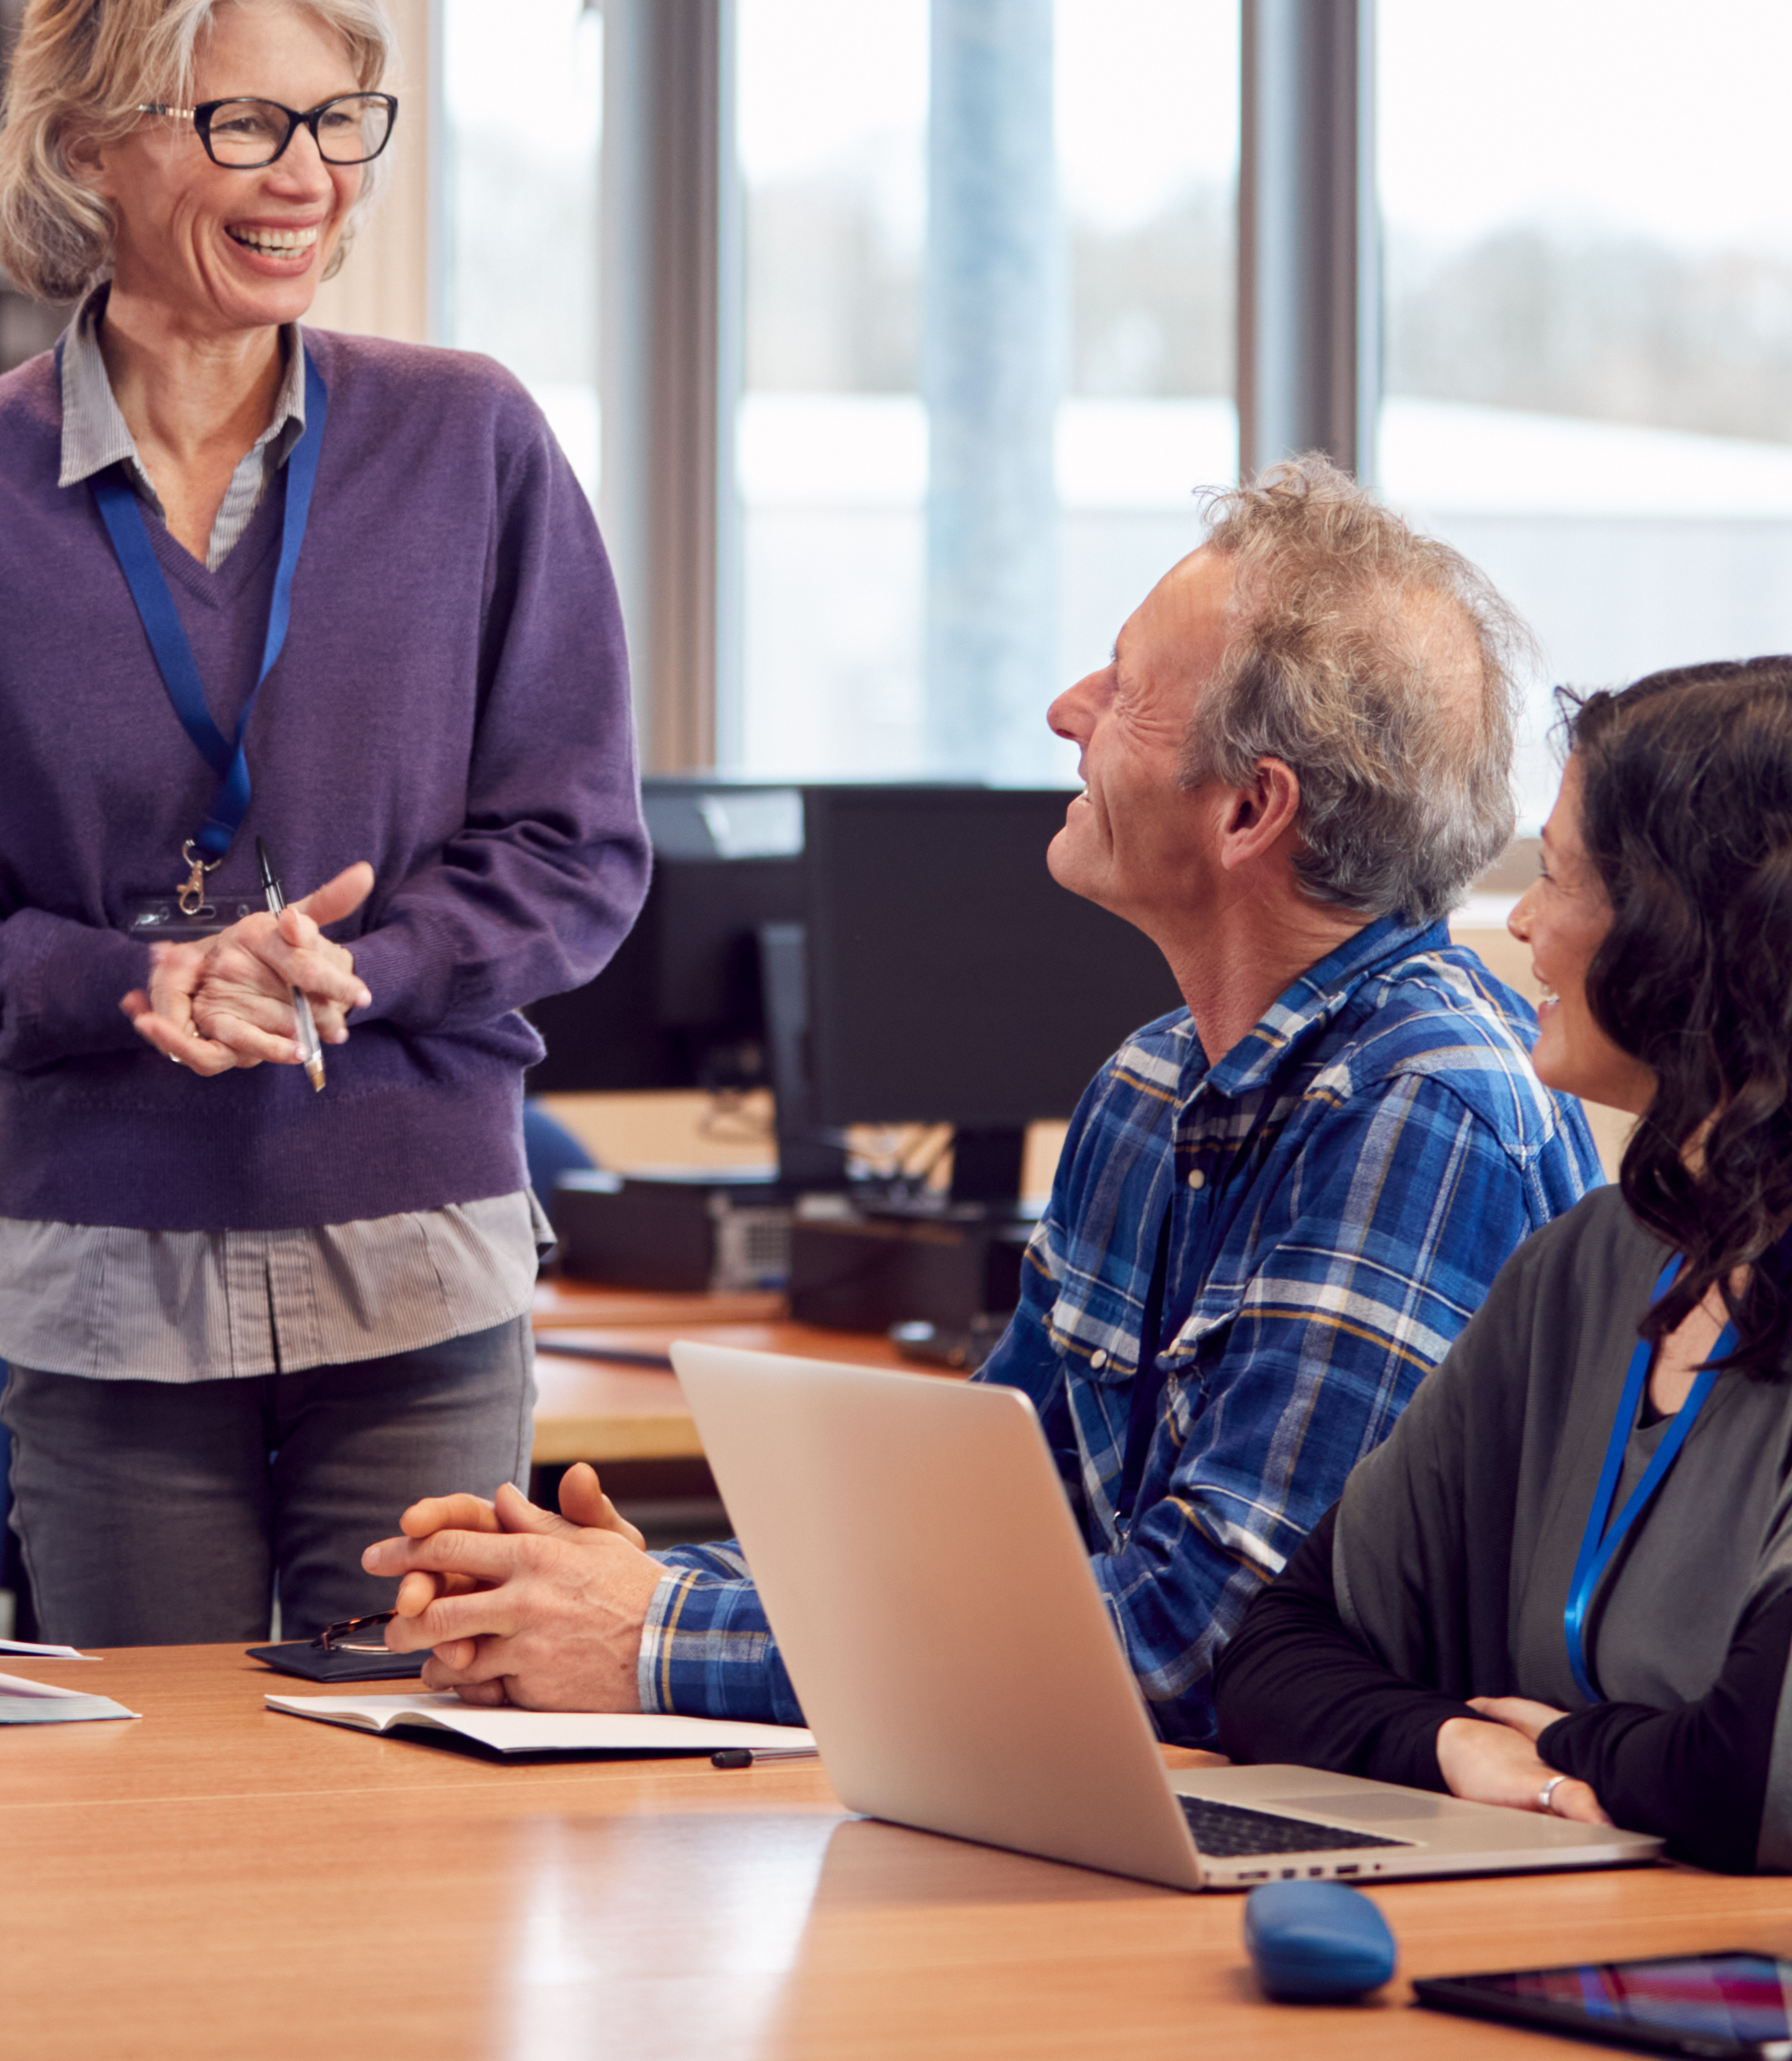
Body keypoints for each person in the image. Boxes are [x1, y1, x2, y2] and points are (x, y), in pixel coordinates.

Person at [374, 459, 1601, 1740]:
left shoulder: (1425, 1113)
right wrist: (612, 1591)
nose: (1067, 708)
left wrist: (652, 1641)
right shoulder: (1147, 1093)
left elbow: (1203, 1649)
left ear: (1250, 809)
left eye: (1124, 690)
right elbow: (984, 1551)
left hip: (1346, 1866)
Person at [0, 0, 647, 1647]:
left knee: (415, 1797)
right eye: (247, 120)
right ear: (97, 137)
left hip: (419, 1251)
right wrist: (141, 984)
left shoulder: (468, 438)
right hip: (108, 1279)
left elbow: (577, 849)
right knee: (153, 1818)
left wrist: (359, 965)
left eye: (343, 121)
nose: (310, 178)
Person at [1212, 656, 1792, 1881]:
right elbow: (1275, 1655)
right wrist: (1456, 1749)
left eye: (1555, 875)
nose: (1527, 922)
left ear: (1694, 935)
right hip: (1572, 1947)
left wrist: (1575, 1749)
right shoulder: (1592, 1270)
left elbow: (1773, 1775)